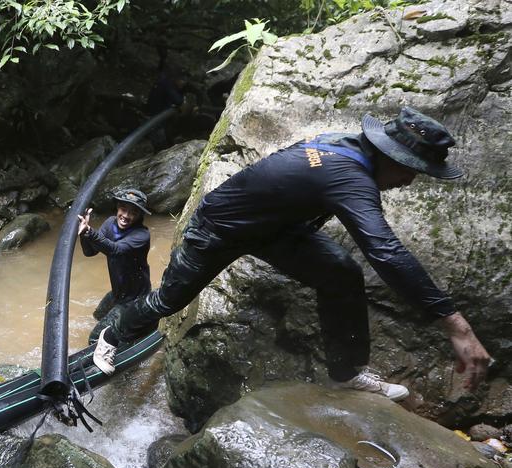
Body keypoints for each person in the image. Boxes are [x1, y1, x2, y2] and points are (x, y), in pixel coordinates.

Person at [91, 107, 492, 401]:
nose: (407, 180)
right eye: (409, 169)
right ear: (388, 155)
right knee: (170, 299)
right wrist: (458, 327)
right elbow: (385, 250)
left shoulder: (346, 145)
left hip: (274, 231)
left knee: (340, 270)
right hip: (216, 229)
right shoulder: (347, 174)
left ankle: (345, 372)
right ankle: (112, 332)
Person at [78, 188, 153, 345]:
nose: (125, 216)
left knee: (95, 338)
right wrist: (84, 234)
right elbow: (90, 252)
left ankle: (109, 356)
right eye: (123, 209)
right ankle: (121, 335)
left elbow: (116, 250)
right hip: (119, 293)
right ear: (118, 208)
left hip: (134, 298)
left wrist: (90, 232)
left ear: (140, 216)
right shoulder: (110, 224)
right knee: (98, 315)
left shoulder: (141, 235)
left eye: (132, 212)